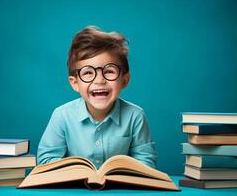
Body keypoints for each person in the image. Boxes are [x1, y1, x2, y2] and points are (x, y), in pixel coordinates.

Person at [37, 26, 157, 168]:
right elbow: (45, 160)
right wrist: (77, 173)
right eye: (88, 73)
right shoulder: (62, 116)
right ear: (75, 83)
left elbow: (147, 162)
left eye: (109, 71)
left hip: (118, 189)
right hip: (75, 189)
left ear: (124, 80)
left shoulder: (135, 115)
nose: (99, 80)